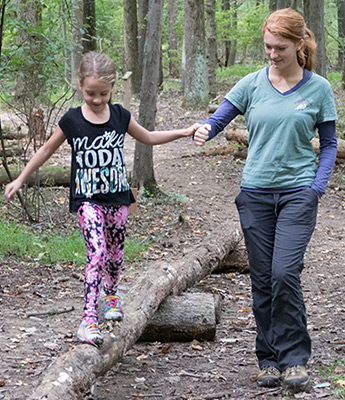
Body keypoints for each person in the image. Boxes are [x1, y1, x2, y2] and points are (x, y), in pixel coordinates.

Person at [5, 51, 199, 347]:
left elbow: (147, 137)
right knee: (96, 253)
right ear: (80, 86)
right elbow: (45, 150)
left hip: (118, 199)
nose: (97, 99)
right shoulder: (71, 120)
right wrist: (20, 178)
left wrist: (184, 132)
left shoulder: (120, 115)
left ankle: (111, 296)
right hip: (88, 201)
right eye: (90, 93)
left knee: (115, 257)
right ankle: (87, 321)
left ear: (112, 89)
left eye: (103, 94)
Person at [193, 8, 337, 393]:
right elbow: (221, 117)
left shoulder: (318, 88)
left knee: (284, 274)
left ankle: (294, 359)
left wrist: (316, 187)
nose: (272, 54)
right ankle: (269, 359)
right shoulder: (253, 83)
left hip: (298, 193)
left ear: (298, 44)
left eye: (280, 48)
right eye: (267, 47)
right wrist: (206, 129)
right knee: (262, 280)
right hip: (255, 194)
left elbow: (330, 145)